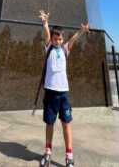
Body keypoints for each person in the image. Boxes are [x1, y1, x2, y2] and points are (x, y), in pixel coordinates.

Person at [38, 10, 90, 167]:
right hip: (50, 93)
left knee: (66, 123)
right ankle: (47, 152)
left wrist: (81, 31)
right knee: (49, 123)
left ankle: (69, 156)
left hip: (63, 94)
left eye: (60, 39)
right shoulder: (49, 49)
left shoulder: (65, 49)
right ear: (52, 40)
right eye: (56, 39)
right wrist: (45, 23)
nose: (58, 41)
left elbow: (73, 39)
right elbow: (47, 35)